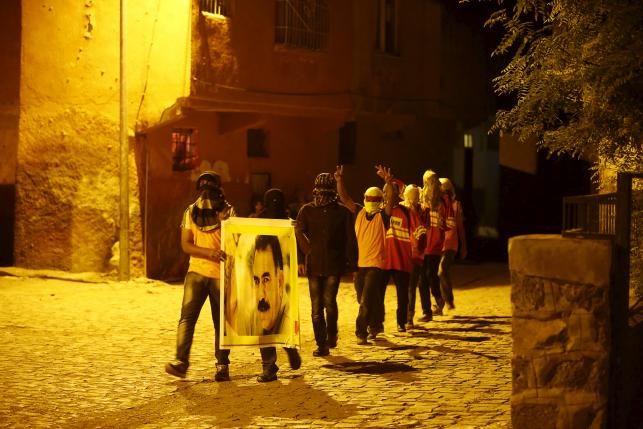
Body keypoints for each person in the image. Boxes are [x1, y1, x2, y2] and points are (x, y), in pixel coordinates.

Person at [165, 171, 235, 381]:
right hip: (196, 272)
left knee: (219, 322)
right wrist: (208, 253)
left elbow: (235, 241)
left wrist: (225, 223)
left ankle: (222, 365)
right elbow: (186, 244)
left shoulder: (229, 210)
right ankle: (181, 362)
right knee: (187, 318)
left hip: (220, 275)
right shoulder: (190, 211)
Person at [295, 173, 357, 357]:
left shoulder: (343, 213)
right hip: (313, 265)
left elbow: (349, 240)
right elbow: (297, 236)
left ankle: (332, 334)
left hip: (333, 264)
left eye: (325, 192)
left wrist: (353, 266)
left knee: (329, 302)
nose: (322, 196)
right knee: (316, 308)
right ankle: (321, 344)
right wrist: (300, 260)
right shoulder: (306, 211)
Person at [334, 165, 387, 345]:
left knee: (365, 300)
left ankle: (361, 332)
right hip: (360, 264)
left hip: (376, 265)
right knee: (363, 298)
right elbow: (344, 198)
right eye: (369, 198)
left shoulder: (383, 217)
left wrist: (388, 182)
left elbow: (392, 200)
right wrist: (339, 181)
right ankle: (375, 324)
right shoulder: (358, 212)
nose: (371, 200)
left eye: (375, 198)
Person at [255, 188, 302, 382]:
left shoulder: (288, 223)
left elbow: (294, 245)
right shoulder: (261, 222)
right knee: (266, 323)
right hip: (269, 273)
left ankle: (283, 352)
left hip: (283, 277)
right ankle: (272, 363)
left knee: (281, 317)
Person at [375, 165, 420, 334]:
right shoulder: (380, 212)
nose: (387, 195)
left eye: (390, 192)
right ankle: (378, 322)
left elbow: (418, 232)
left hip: (402, 260)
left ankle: (401, 322)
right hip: (384, 260)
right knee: (379, 294)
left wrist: (418, 251)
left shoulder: (407, 212)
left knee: (403, 295)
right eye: (385, 192)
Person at [418, 170, 450, 317]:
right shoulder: (421, 198)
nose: (429, 184)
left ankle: (438, 298)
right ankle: (426, 311)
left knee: (431, 274)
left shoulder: (442, 200)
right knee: (422, 278)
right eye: (427, 181)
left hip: (435, 244)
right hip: (423, 244)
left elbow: (446, 222)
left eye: (431, 181)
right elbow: (405, 193)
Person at [401, 184, 432, 326]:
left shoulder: (415, 211)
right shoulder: (420, 209)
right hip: (413, 253)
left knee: (409, 286)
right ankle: (407, 318)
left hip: (412, 253)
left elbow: (422, 231)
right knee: (410, 286)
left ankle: (408, 318)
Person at [438, 178, 467, 312]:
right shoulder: (437, 204)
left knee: (442, 270)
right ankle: (440, 303)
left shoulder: (456, 205)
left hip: (450, 244)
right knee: (438, 273)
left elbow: (460, 227)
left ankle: (449, 301)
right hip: (437, 244)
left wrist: (463, 246)